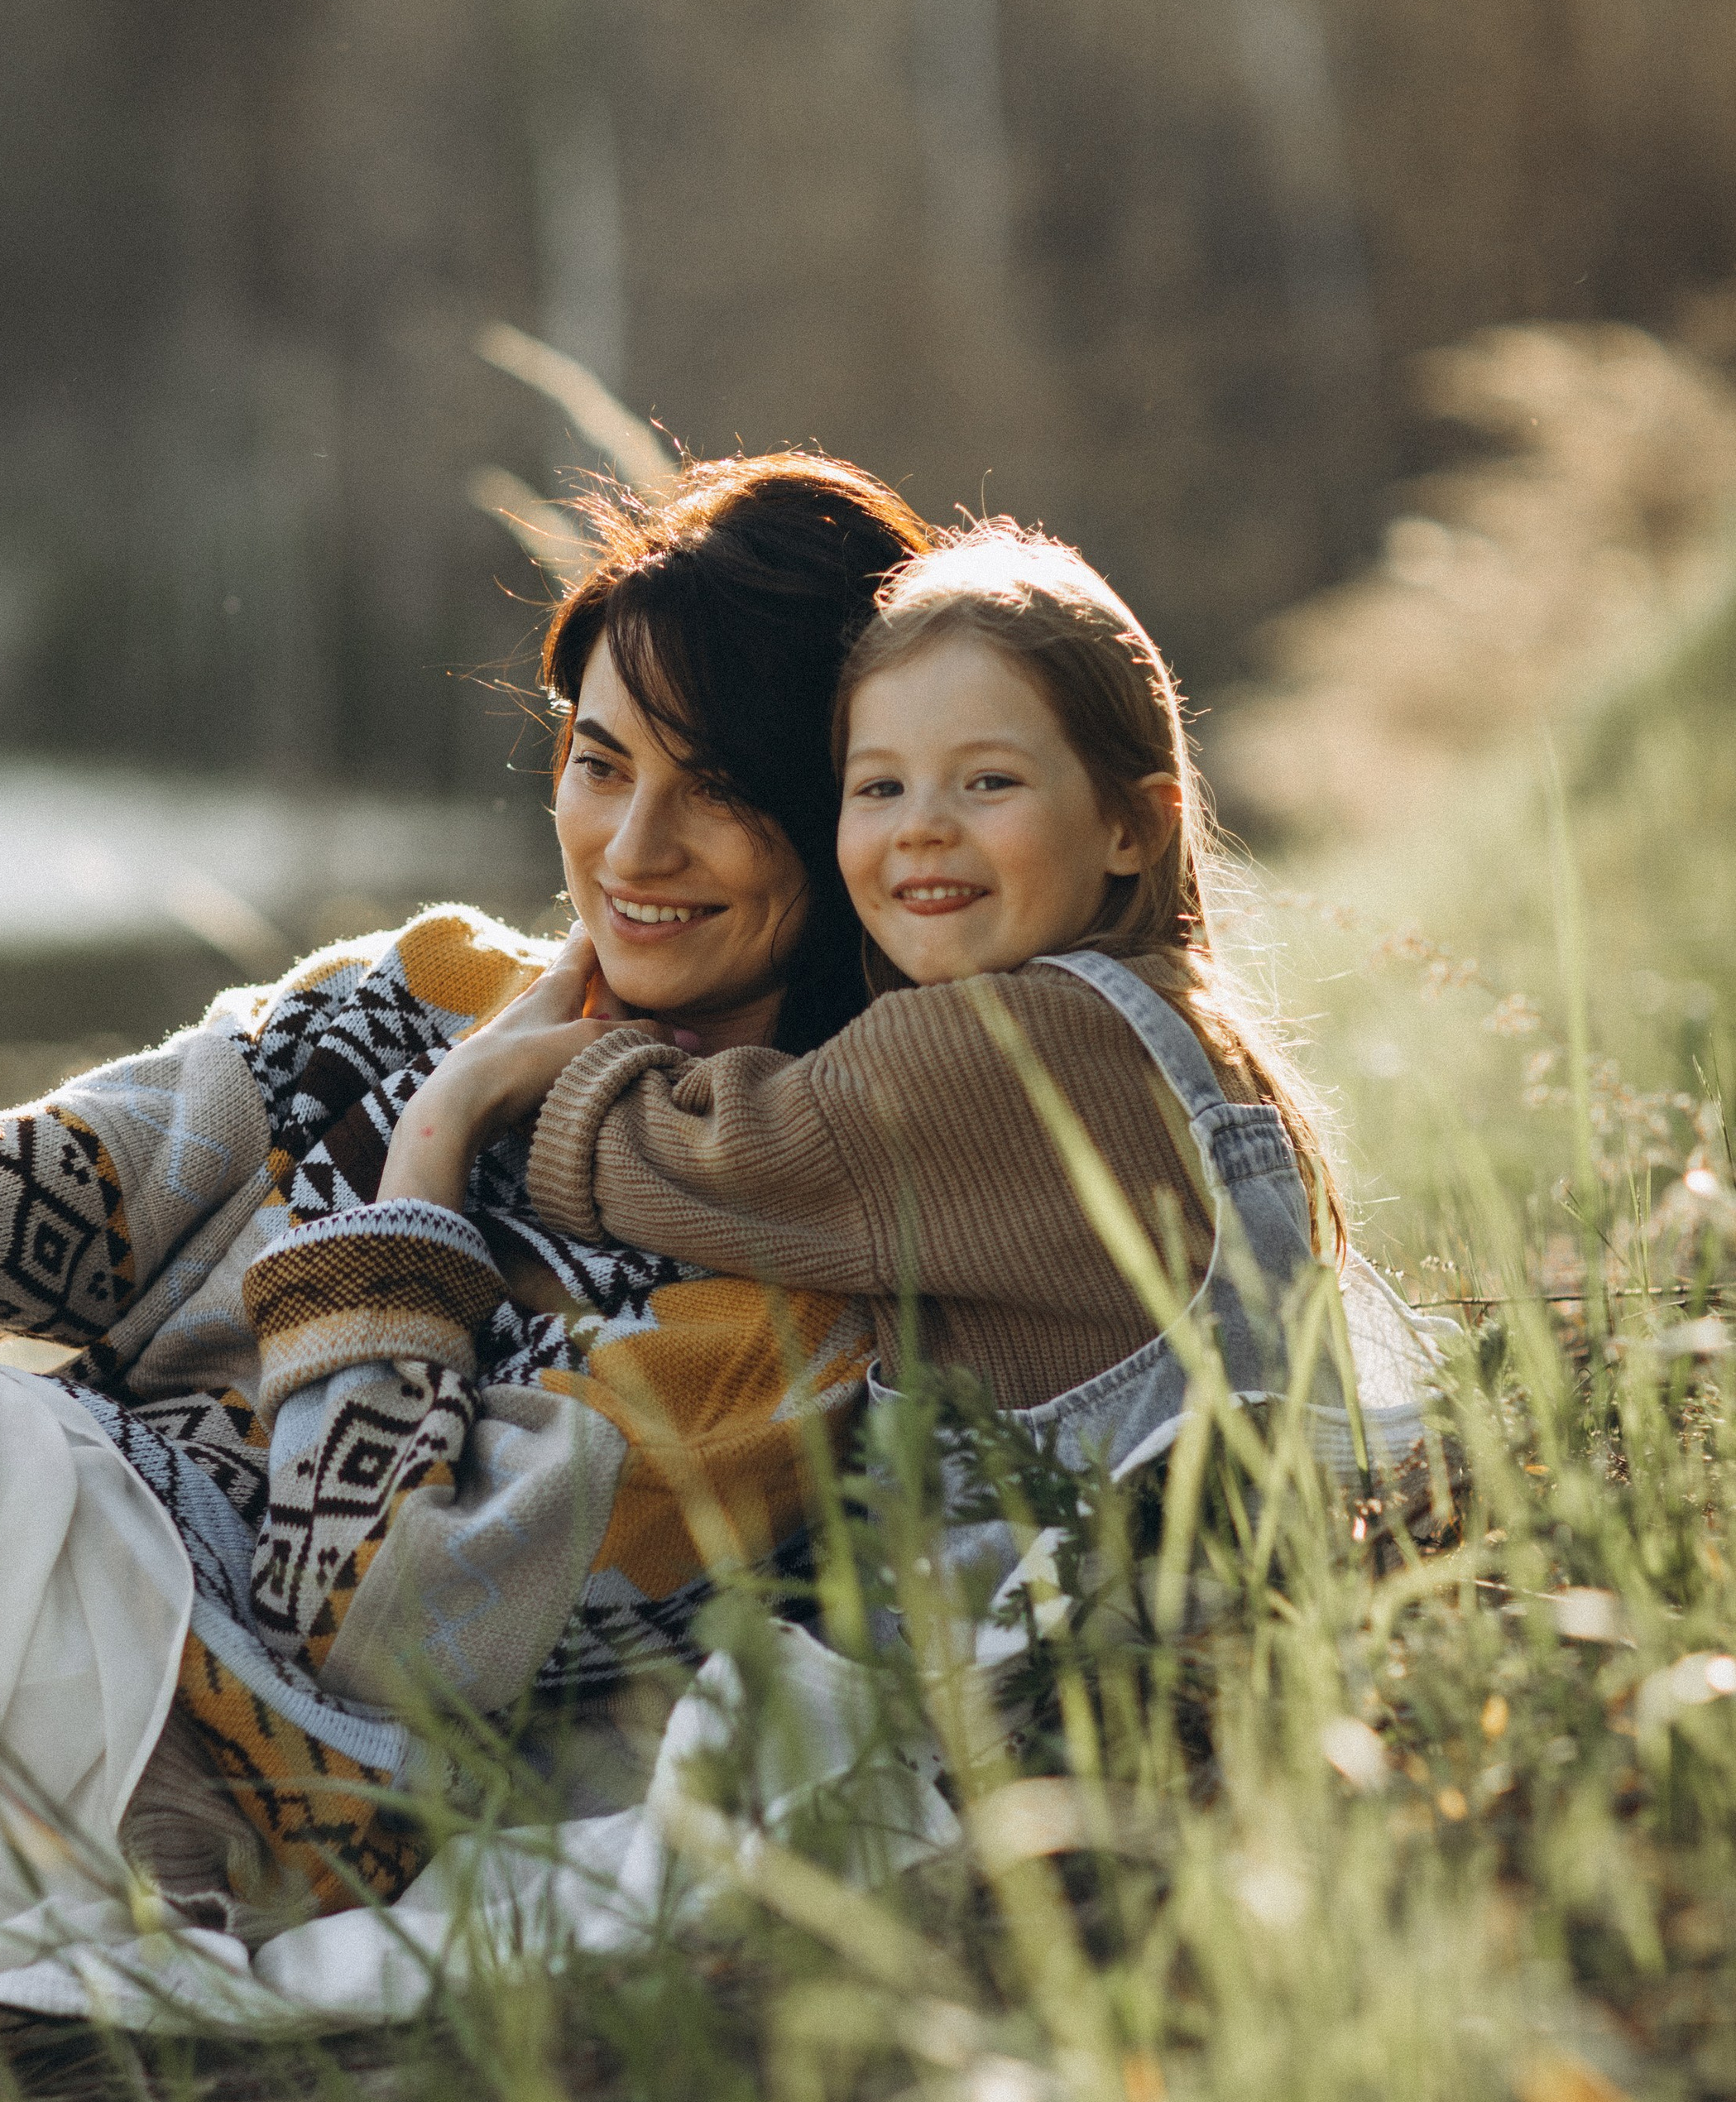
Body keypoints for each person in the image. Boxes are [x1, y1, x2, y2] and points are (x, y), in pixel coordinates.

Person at [0, 453, 926, 2021]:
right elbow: (22, 1193)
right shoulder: (412, 992)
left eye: (717, 790)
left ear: (837, 814)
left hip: (183, 1750)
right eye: (599, 760)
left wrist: (427, 1164)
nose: (635, 848)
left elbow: (380, 1629)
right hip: (38, 1583)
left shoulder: (774, 1297)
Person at [404, 524, 1353, 1484]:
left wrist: (516, 1071)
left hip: (1065, 1603)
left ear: (1130, 823)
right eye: (880, 786)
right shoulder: (1167, 1020)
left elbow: (709, 1165)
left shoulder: (1010, 1049)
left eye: (988, 782)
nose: (923, 828)